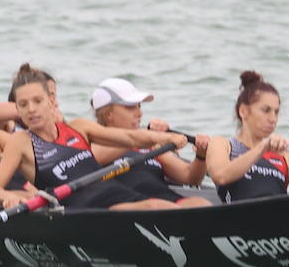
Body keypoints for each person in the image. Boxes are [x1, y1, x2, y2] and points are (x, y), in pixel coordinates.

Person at [0, 64, 186, 210]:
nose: (31, 109)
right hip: (85, 211)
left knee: (167, 207)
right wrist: (10, 198)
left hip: (116, 193)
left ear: (51, 100)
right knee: (156, 208)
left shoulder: (79, 127)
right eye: (23, 104)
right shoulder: (21, 142)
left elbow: (130, 138)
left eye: (37, 101)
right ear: (17, 110)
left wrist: (163, 138)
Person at [87, 78, 210, 207]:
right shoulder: (94, 144)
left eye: (139, 106)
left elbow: (190, 178)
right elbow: (97, 156)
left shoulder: (149, 144)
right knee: (158, 206)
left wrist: (201, 156)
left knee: (201, 203)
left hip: (165, 199)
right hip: (128, 205)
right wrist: (151, 136)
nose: (139, 113)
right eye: (130, 107)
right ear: (108, 113)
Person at [205, 71, 289, 203]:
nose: (273, 119)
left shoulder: (284, 156)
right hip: (239, 218)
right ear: (243, 111)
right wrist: (262, 148)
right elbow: (221, 176)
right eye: (266, 110)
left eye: (276, 112)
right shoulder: (222, 145)